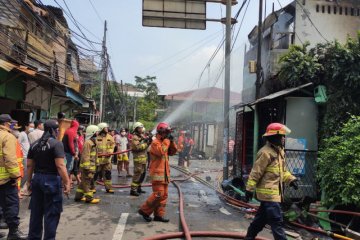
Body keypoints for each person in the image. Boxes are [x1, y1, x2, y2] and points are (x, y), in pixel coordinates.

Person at [244, 123, 300, 240]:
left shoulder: (279, 152)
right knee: (277, 222)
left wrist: (291, 180)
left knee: (260, 220)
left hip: (273, 195)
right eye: (282, 136)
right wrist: (249, 189)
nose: (284, 138)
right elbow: (256, 172)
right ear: (274, 137)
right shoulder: (265, 152)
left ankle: (249, 237)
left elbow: (282, 172)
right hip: (270, 195)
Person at [26, 120, 70, 240]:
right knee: (51, 214)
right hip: (51, 180)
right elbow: (60, 166)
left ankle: (33, 237)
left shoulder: (34, 144)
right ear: (53, 131)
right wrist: (67, 182)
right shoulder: (56, 144)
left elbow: (30, 165)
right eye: (57, 130)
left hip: (37, 179)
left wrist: (29, 181)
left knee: (36, 212)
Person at [138, 122, 177, 223]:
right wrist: (168, 140)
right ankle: (144, 211)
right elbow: (161, 151)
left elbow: (172, 152)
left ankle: (159, 215)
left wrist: (171, 141)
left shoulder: (165, 141)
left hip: (165, 174)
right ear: (161, 132)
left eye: (168, 133)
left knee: (164, 196)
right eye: (166, 133)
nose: (167, 135)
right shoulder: (155, 143)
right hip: (157, 174)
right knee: (158, 194)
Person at [0, 114, 27, 239]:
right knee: (11, 205)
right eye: (10, 123)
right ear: (6, 124)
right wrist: (16, 176)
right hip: (6, 180)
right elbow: (10, 159)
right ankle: (13, 233)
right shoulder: (8, 136)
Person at [74, 125, 100, 204]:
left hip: (92, 166)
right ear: (93, 133)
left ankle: (78, 197)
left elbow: (95, 155)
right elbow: (85, 156)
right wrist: (87, 167)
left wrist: (97, 163)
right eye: (97, 132)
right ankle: (89, 198)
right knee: (87, 183)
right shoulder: (88, 143)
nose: (98, 133)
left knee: (83, 183)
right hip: (88, 168)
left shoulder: (93, 142)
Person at [130, 122, 150, 196]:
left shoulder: (141, 136)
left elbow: (145, 144)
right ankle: (133, 190)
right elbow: (137, 147)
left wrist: (148, 140)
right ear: (137, 129)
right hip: (138, 159)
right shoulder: (135, 137)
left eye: (142, 127)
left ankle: (139, 187)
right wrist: (146, 143)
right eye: (140, 127)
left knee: (143, 174)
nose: (142, 129)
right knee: (137, 174)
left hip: (143, 159)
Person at [96, 122, 115, 193]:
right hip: (98, 160)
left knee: (107, 174)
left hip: (107, 160)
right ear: (101, 129)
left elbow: (113, 145)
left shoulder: (110, 137)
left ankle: (108, 188)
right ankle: (92, 188)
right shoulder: (96, 137)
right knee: (95, 174)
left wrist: (110, 151)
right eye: (105, 127)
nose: (107, 129)